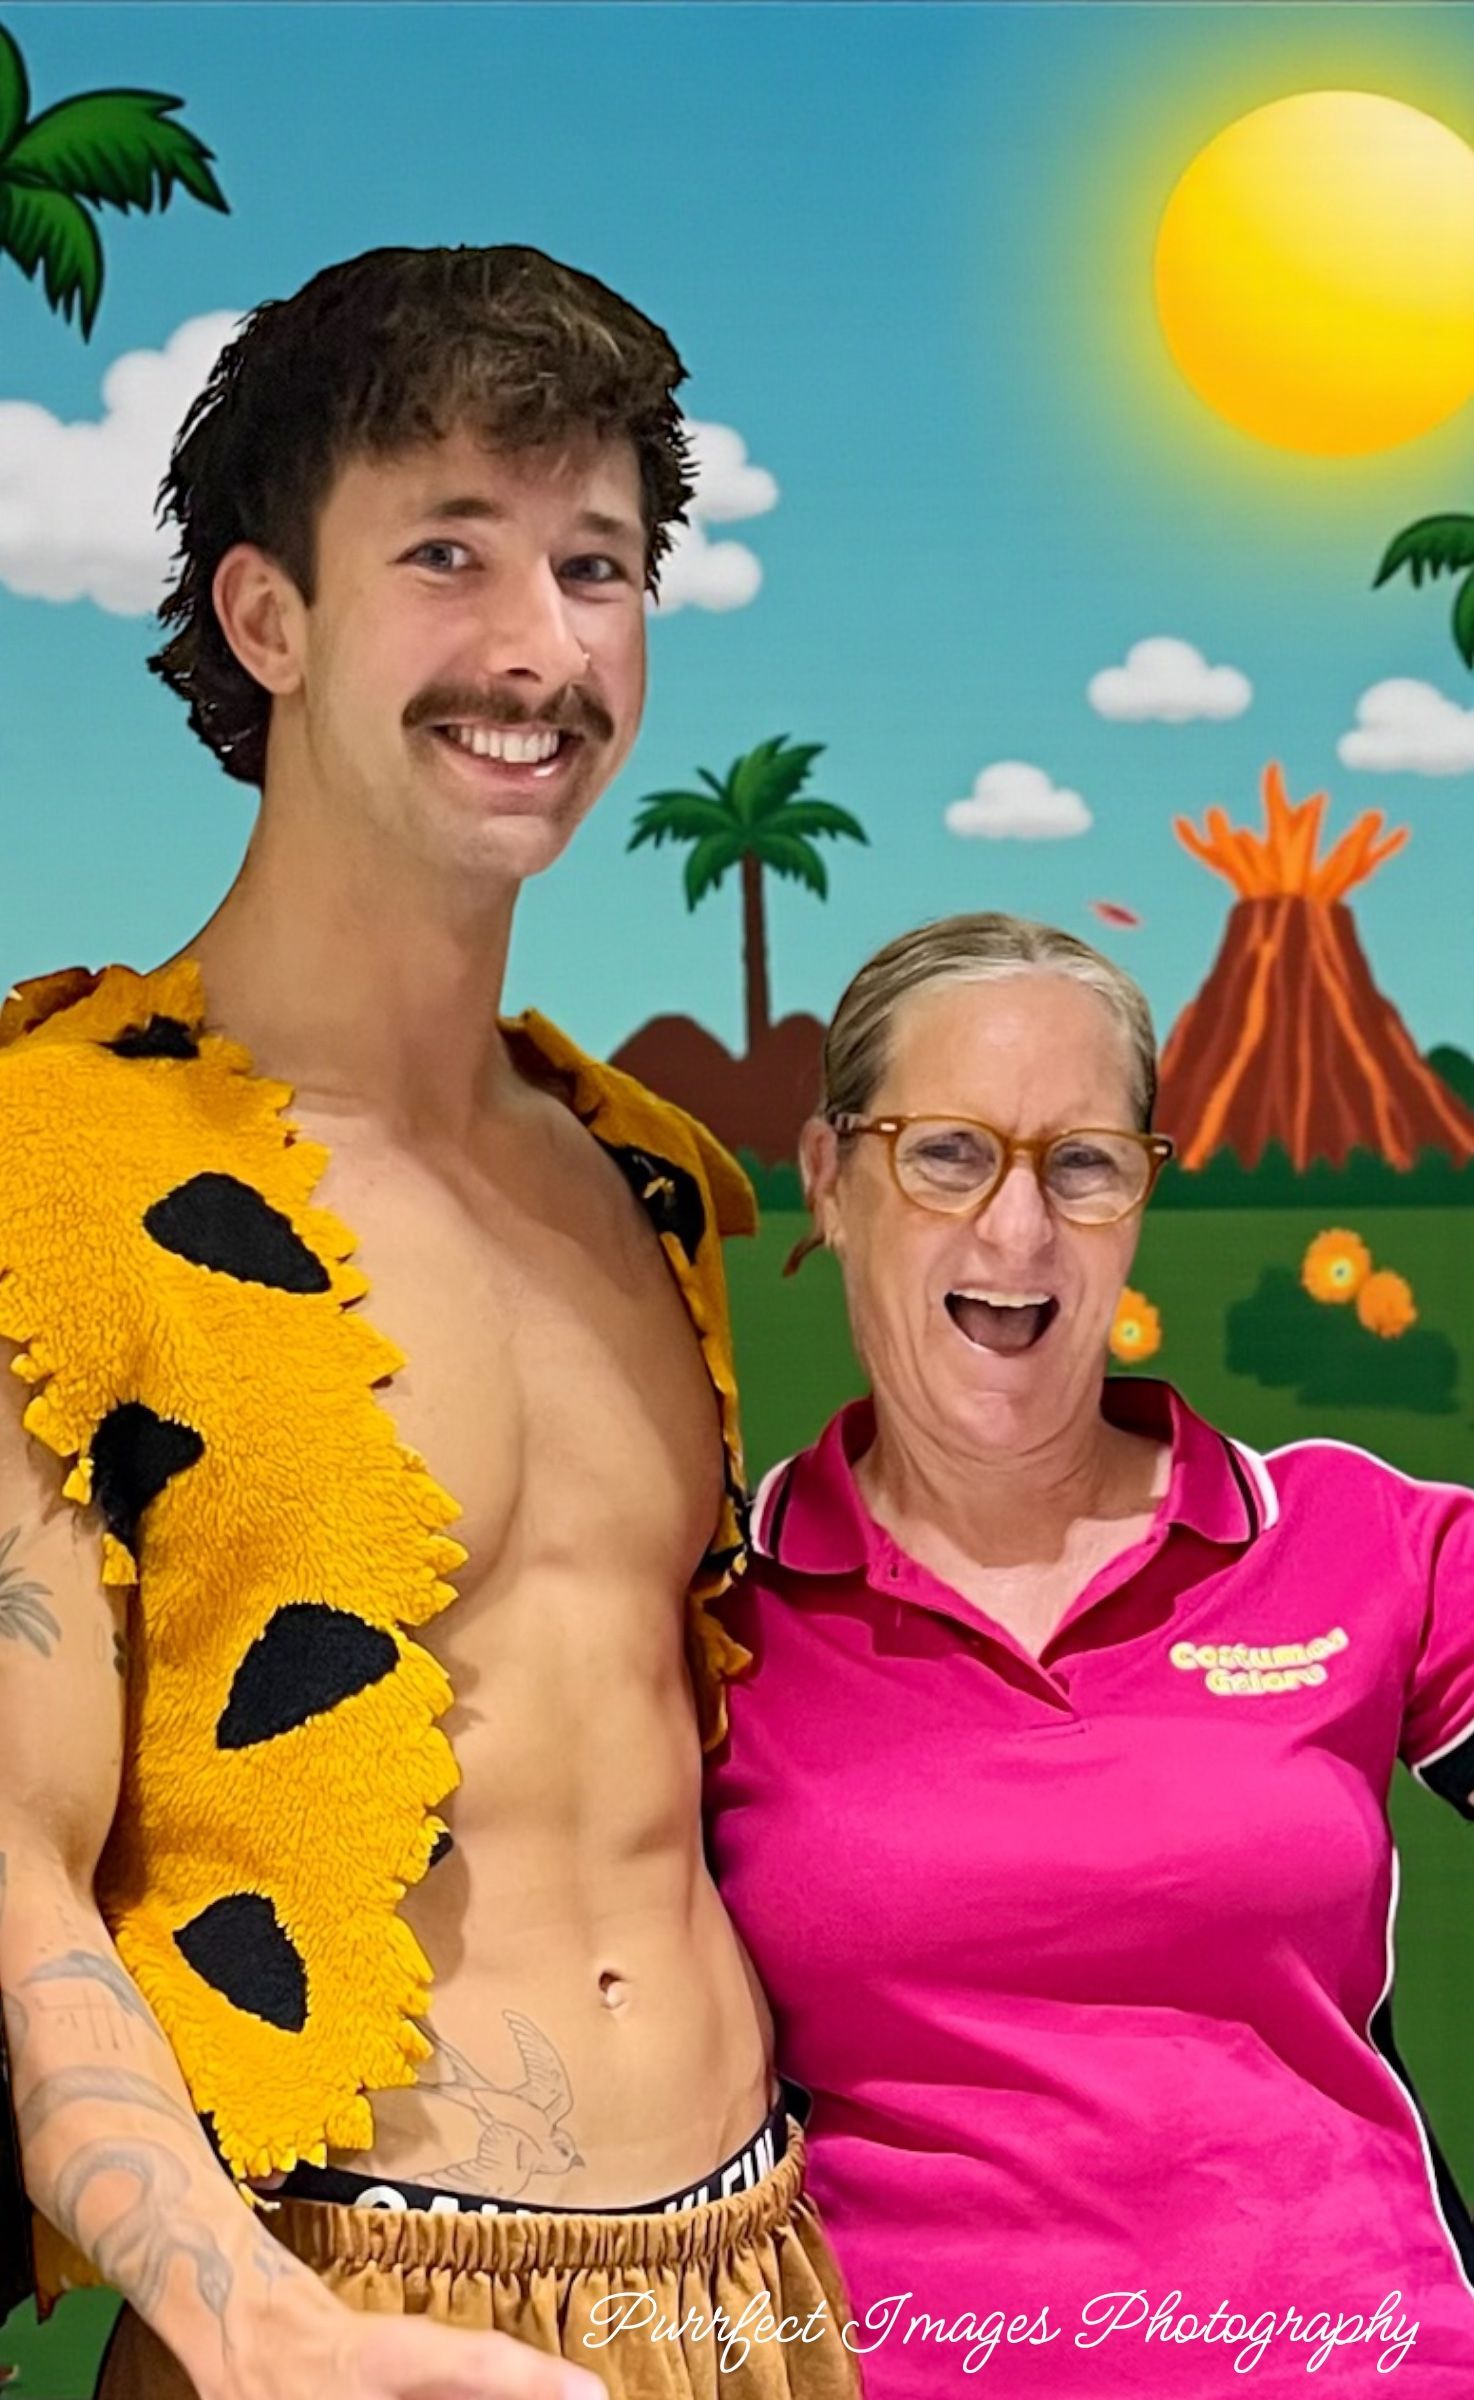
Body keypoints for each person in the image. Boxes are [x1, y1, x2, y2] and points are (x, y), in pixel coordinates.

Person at [0, 245, 857, 2400]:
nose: (537, 648)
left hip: (759, 2287)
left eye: (593, 563)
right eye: (447, 551)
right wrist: (244, 2316)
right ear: (265, 615)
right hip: (331, 2309)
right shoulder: (52, 1166)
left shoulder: (644, 1170)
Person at [705, 910, 1474, 2398]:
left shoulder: (1353, 1539)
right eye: (946, 1154)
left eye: (1082, 1164)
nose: (1017, 1232)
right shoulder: (707, 1615)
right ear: (828, 1181)